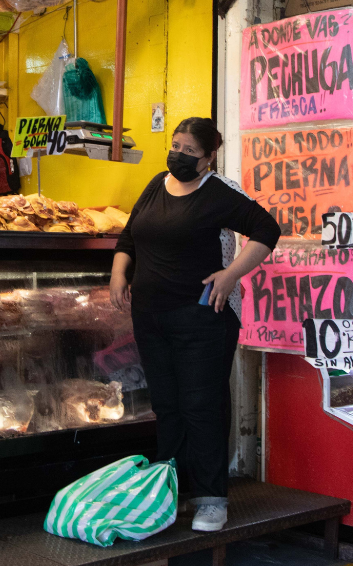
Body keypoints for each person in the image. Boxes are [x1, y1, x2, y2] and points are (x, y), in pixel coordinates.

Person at [109, 117, 280, 532]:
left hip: (202, 317)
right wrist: (119, 273)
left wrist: (231, 273)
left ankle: (211, 501)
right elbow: (129, 237)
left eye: (190, 151)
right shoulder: (155, 185)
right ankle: (172, 493)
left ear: (208, 157)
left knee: (201, 406)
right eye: (176, 145)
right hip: (151, 316)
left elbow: (267, 229)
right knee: (167, 407)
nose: (179, 155)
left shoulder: (218, 193)